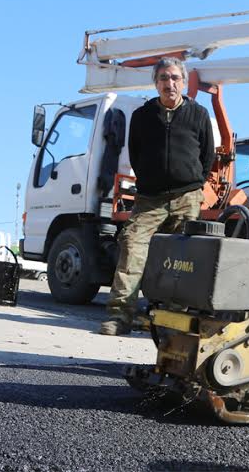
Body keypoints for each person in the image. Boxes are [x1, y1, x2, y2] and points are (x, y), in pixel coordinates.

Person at [99, 57, 215, 335]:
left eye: (175, 78)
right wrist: (153, 179)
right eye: (163, 78)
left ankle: (173, 320)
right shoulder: (142, 116)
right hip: (150, 198)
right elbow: (136, 153)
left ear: (183, 82)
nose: (169, 83)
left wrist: (192, 182)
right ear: (156, 83)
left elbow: (207, 155)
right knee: (132, 246)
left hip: (187, 197)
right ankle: (120, 315)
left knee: (184, 259)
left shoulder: (198, 114)